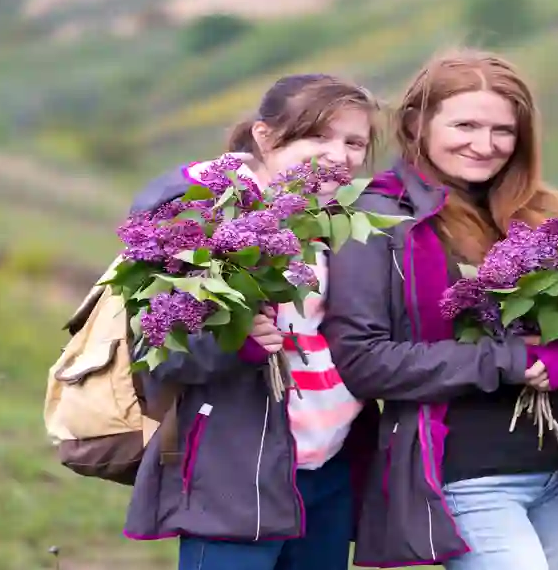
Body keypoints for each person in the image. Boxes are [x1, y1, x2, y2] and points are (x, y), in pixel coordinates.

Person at [322, 50, 558, 570]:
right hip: (468, 475)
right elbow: (363, 360)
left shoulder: (548, 210)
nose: (485, 146)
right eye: (465, 124)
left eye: (503, 130)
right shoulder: (374, 216)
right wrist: (506, 360)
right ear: (416, 122)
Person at [122, 73, 383, 570]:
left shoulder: (334, 220)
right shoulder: (202, 210)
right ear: (264, 136)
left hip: (326, 466)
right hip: (238, 469)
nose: (339, 154)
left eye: (354, 142)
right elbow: (154, 351)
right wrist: (234, 341)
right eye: (318, 136)